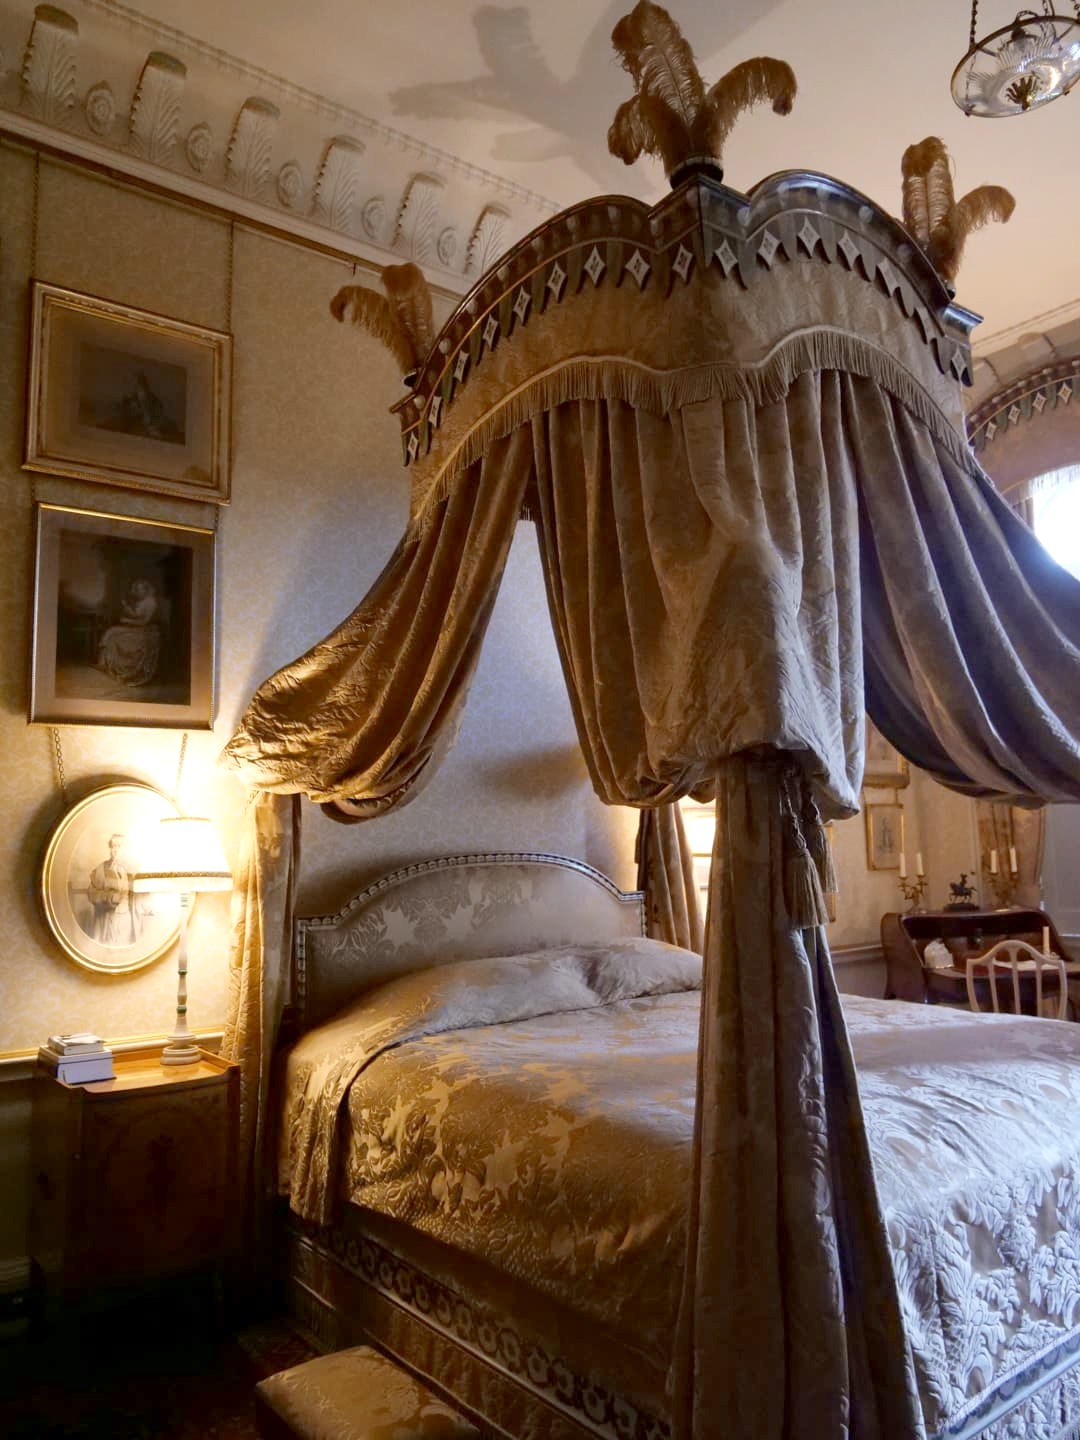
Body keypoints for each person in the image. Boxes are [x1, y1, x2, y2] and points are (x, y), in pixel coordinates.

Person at [97, 578, 162, 686]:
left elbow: (144, 622)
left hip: (146, 631)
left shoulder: (151, 603)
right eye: (137, 590)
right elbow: (137, 616)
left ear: (145, 590)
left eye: (139, 590)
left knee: (114, 634)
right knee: (111, 632)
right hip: (138, 628)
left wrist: (127, 620)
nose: (137, 592)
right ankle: (106, 664)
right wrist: (127, 609)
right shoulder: (143, 600)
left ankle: (122, 669)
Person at [87, 833, 139, 946]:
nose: (115, 850)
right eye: (113, 846)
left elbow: (139, 897)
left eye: (119, 846)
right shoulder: (102, 868)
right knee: (109, 948)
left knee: (127, 948)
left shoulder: (133, 869)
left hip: (127, 919)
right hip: (108, 918)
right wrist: (109, 897)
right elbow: (92, 893)